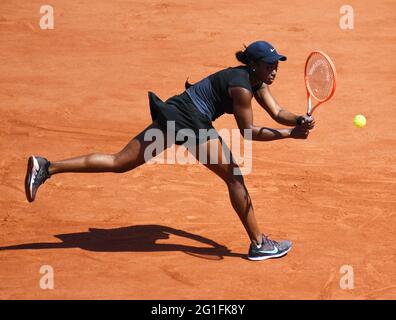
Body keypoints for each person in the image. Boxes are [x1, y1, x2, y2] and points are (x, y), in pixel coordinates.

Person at [25, 40, 315, 261]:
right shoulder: (241, 88)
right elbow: (248, 132)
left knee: (119, 161)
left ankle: (47, 166)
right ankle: (259, 244)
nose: (274, 69)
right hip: (190, 120)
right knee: (234, 177)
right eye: (268, 65)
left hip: (176, 111)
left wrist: (298, 119)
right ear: (253, 65)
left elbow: (277, 112)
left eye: (276, 64)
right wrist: (290, 134)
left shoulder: (256, 81)